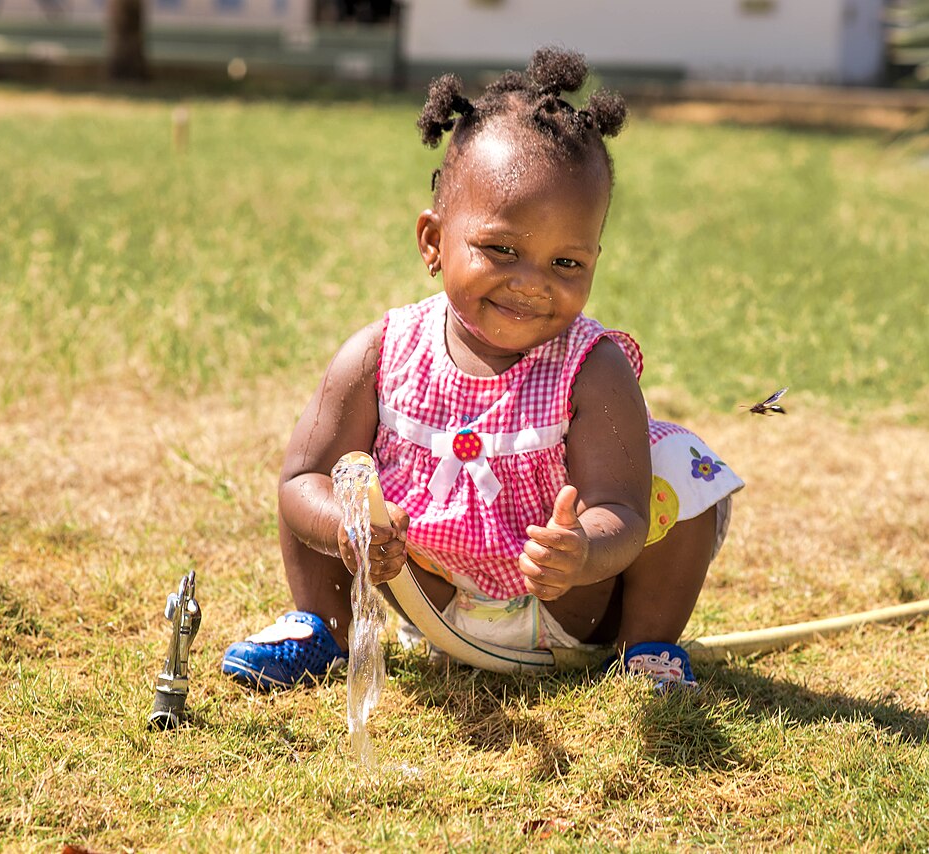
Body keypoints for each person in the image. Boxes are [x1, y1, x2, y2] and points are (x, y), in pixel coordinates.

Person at [221, 47, 744, 692]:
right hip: (426, 595)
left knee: (680, 466)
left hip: (567, 614)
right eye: (501, 249)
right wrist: (347, 527)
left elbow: (623, 512)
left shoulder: (594, 368)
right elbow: (301, 479)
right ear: (433, 241)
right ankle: (318, 626)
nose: (532, 284)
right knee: (336, 470)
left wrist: (583, 551)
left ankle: (650, 647)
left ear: (596, 259)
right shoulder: (381, 352)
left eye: (567, 264)